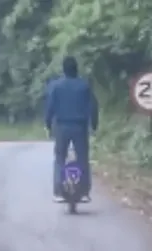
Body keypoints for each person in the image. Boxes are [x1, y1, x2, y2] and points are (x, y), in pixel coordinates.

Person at [45, 56, 98, 203]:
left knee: (60, 158)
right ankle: (84, 191)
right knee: (82, 159)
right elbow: (92, 107)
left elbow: (50, 108)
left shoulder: (56, 86)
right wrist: (94, 125)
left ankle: (58, 192)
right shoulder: (84, 86)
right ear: (76, 69)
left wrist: (48, 124)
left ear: (64, 70)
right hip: (80, 127)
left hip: (62, 127)